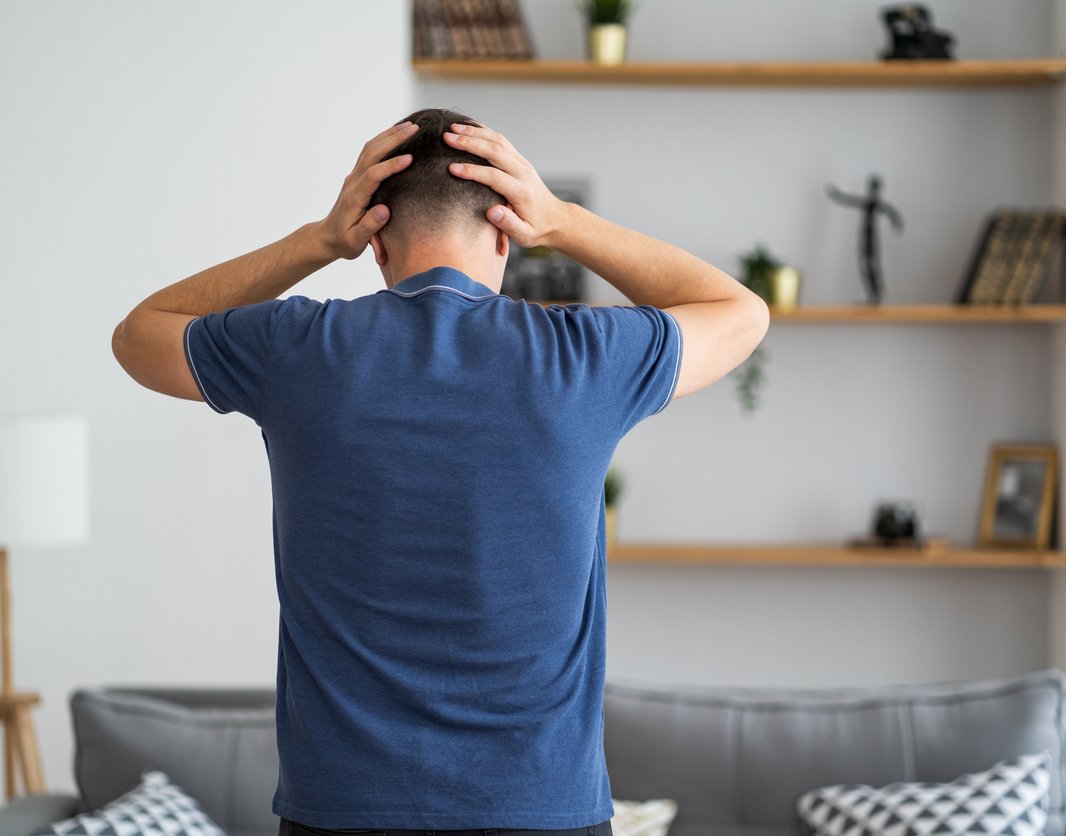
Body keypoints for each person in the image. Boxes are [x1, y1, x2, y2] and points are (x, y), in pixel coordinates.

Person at [112, 108, 768, 836]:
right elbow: (738, 312)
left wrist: (319, 239)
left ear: (375, 245)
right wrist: (562, 221)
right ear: (502, 232)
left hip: (342, 811)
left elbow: (140, 334)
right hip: (539, 808)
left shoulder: (297, 349)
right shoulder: (583, 356)